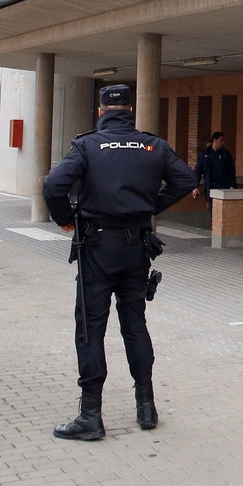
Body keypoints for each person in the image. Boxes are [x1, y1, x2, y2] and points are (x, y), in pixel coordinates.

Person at [42, 84, 197, 440]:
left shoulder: (87, 145)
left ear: (101, 111)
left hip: (97, 248)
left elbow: (53, 185)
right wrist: (149, 207)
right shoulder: (151, 145)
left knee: (91, 329)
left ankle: (91, 416)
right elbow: (186, 179)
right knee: (135, 324)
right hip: (137, 249)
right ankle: (146, 407)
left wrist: (65, 218)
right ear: (130, 110)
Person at [194, 130, 237, 204]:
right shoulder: (204, 155)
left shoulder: (225, 154)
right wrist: (195, 186)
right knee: (212, 208)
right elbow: (199, 171)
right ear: (215, 141)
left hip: (223, 186)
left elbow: (231, 171)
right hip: (210, 187)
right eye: (221, 141)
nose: (223, 143)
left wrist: (232, 185)